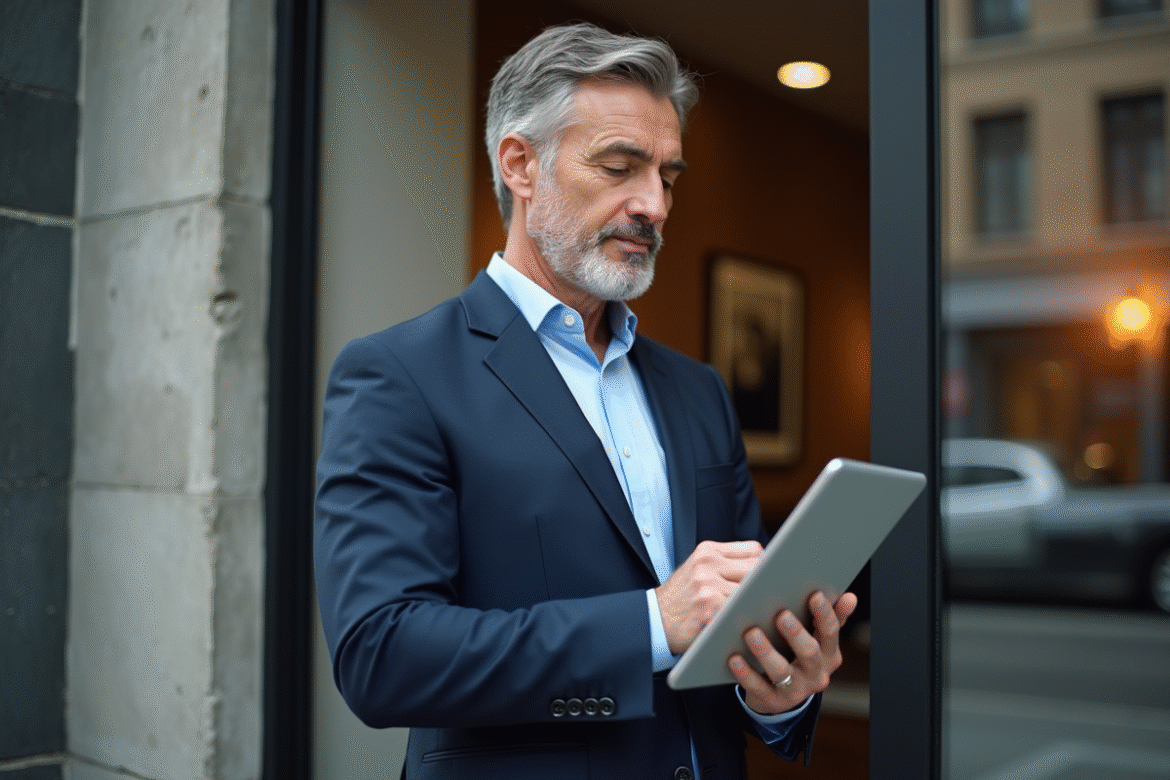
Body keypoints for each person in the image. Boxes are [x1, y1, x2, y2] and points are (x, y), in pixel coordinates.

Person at [314, 22, 857, 780]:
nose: (656, 205)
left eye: (667, 174)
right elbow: (382, 656)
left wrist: (777, 691)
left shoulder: (698, 391)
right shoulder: (398, 375)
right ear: (520, 165)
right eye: (620, 166)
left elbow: (726, 643)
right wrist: (651, 623)